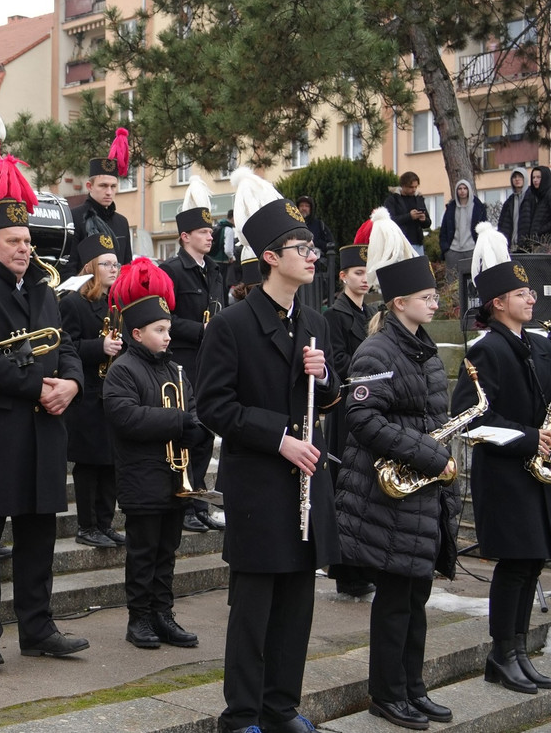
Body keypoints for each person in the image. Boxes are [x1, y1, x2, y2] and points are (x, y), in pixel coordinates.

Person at [196, 168, 341, 733]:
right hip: (259, 485)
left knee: (296, 611)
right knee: (253, 613)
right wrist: (278, 437)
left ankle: (281, 707)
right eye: (301, 248)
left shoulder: (314, 322)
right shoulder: (232, 325)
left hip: (307, 486)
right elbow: (214, 407)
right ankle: (241, 715)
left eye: (311, 247)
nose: (313, 256)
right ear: (270, 257)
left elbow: (325, 403)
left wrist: (324, 377)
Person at [0, 155, 88, 669]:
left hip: (44, 431)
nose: (26, 249)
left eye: (28, 242)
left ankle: (38, 627)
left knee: (38, 536)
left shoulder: (46, 292)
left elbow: (66, 344)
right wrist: (40, 388)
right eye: (15, 241)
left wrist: (70, 383)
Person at [334, 211, 458, 730]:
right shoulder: (377, 348)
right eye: (428, 297)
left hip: (421, 493)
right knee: (395, 602)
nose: (436, 302)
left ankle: (413, 686)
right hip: (388, 493)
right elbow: (360, 418)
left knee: (417, 596)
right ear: (400, 302)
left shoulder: (425, 350)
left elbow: (432, 414)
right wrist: (430, 454)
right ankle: (387, 694)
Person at [453, 222, 551, 696]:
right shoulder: (485, 350)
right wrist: (531, 438)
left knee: (532, 562)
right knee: (513, 565)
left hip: (537, 474)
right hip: (506, 473)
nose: (530, 298)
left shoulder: (536, 344)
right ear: (497, 302)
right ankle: (500, 654)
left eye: (530, 291)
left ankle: (517, 653)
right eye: (520, 292)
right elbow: (469, 420)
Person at [104, 258, 210, 650]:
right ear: (137, 332)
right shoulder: (123, 370)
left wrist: (196, 429)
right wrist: (179, 421)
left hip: (172, 479)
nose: (168, 336)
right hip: (141, 477)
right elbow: (124, 415)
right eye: (160, 330)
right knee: (143, 553)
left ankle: (164, 614)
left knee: (168, 552)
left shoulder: (176, 370)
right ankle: (140, 619)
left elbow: (194, 411)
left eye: (168, 329)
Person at [161, 178, 226, 532]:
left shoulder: (214, 270)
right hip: (183, 359)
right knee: (188, 431)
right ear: (185, 236)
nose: (209, 236)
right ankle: (182, 504)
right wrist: (198, 330)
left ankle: (198, 501)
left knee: (206, 430)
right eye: (203, 231)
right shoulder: (171, 270)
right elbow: (163, 318)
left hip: (209, 360)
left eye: (211, 230)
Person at [60, 233, 123, 548]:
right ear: (91, 267)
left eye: (115, 263)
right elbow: (65, 345)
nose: (113, 269)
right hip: (86, 395)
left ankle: (106, 523)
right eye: (106, 264)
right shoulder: (74, 301)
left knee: (110, 461)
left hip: (112, 393)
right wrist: (100, 347)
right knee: (89, 464)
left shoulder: (115, 301)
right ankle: (87, 526)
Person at [321, 243, 376, 598]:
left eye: (368, 273)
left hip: (370, 404)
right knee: (347, 488)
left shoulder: (371, 312)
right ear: (343, 277)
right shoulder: (334, 315)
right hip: (347, 407)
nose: (364, 279)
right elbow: (338, 361)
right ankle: (346, 571)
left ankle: (364, 565)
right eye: (358, 273)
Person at [71, 128, 133, 270]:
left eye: (113, 186)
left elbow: (126, 265)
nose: (109, 192)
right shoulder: (74, 217)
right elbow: (70, 265)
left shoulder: (122, 222)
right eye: (103, 186)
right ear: (89, 186)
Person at [439, 179, 487, 282]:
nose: (462, 191)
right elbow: (444, 230)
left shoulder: (479, 207)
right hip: (453, 250)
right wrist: (446, 249)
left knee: (473, 280)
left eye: (465, 188)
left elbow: (484, 229)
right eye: (460, 188)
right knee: (452, 281)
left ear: (469, 190)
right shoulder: (451, 208)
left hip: (472, 249)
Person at [383, 172, 430, 255]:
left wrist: (423, 219)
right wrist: (409, 216)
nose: (414, 189)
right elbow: (389, 221)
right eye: (411, 187)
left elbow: (428, 223)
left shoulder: (419, 199)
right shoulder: (392, 200)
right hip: (399, 243)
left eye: (416, 187)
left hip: (417, 243)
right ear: (403, 185)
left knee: (418, 268)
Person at [519, 165, 551, 250]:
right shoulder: (535, 196)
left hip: (545, 244)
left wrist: (541, 230)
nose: (535, 180)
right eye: (533, 177)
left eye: (538, 177)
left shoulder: (548, 194)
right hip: (536, 244)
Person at [497, 169, 526, 249]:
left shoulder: (532, 198)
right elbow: (502, 224)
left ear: (525, 178)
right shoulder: (509, 202)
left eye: (520, 176)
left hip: (526, 246)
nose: (517, 179)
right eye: (514, 177)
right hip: (511, 246)